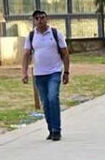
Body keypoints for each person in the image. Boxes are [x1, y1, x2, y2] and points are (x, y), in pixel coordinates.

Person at [21, 9, 70, 141]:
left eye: (42, 17)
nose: (40, 20)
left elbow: (65, 53)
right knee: (46, 102)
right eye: (36, 18)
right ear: (34, 21)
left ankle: (56, 130)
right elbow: (26, 55)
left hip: (54, 71)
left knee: (53, 97)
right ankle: (51, 128)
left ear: (46, 19)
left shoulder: (55, 33)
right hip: (39, 74)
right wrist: (24, 73)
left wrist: (66, 72)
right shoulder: (31, 36)